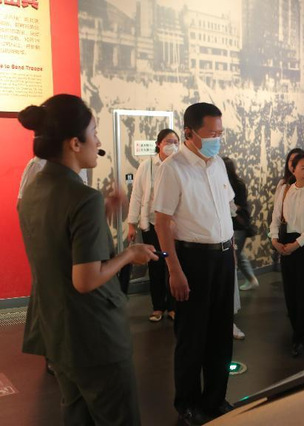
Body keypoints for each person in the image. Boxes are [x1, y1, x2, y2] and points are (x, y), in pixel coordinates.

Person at [17, 94, 158, 425]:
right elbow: (86, 280)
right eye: (94, 132)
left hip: (55, 330)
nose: (98, 142)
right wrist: (130, 254)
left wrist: (102, 211)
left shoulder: (34, 188)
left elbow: (57, 239)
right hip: (93, 334)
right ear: (75, 143)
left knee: (77, 413)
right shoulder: (83, 197)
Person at [154, 103, 236, 424]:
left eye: (220, 133)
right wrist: (173, 269)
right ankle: (187, 404)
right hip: (192, 259)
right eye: (211, 133)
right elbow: (162, 222)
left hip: (223, 256)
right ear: (189, 132)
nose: (217, 139)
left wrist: (230, 251)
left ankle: (215, 398)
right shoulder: (173, 168)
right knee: (192, 337)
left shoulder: (218, 165)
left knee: (220, 334)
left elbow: (224, 212)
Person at [270, 153, 304, 357]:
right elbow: (276, 217)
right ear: (293, 169)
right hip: (286, 242)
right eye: (303, 167)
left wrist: (296, 245)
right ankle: (298, 328)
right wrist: (274, 239)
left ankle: (299, 335)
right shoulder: (285, 190)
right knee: (291, 290)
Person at [127, 128, 179, 322]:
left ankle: (173, 307)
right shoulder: (147, 166)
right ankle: (158, 307)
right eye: (168, 141)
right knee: (156, 266)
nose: (172, 145)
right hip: (151, 226)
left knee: (172, 265)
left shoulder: (179, 164)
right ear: (159, 144)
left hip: (173, 227)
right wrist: (132, 224)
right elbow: (137, 195)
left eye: (176, 142)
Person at [222, 157, 259, 292]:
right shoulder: (225, 183)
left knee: (233, 257)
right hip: (229, 224)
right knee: (238, 253)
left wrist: (229, 206)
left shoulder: (237, 184)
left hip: (237, 225)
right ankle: (252, 279)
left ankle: (231, 290)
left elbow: (241, 205)